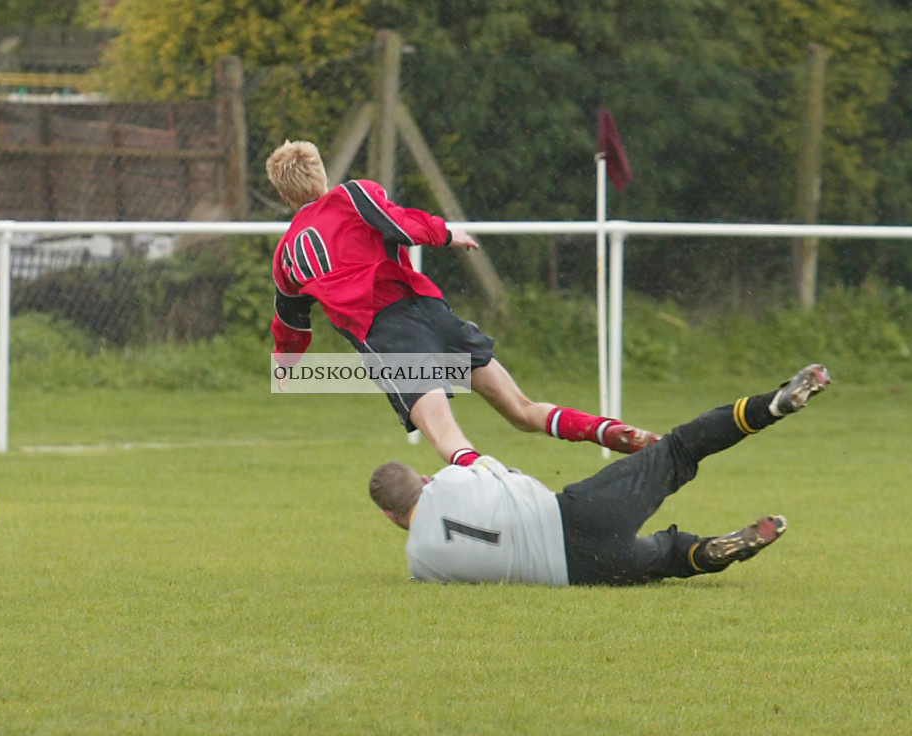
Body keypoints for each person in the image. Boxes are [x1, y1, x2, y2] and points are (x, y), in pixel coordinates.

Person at [265, 139, 659, 466]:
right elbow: (399, 222)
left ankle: (504, 506)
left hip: (389, 338)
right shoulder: (355, 193)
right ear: (322, 173)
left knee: (451, 441)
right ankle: (606, 430)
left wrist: (285, 365)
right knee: (522, 411)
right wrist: (445, 233)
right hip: (431, 314)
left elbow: (292, 324)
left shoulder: (286, 254)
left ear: (283, 195)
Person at [368, 363, 831, 586]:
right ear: (423, 481)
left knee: (667, 555)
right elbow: (486, 465)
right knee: (682, 449)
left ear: (391, 517)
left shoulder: (420, 564)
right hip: (576, 516)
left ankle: (713, 549)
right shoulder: (452, 479)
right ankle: (773, 405)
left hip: (582, 573)